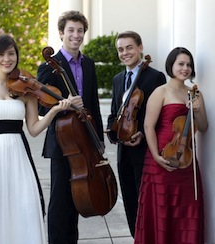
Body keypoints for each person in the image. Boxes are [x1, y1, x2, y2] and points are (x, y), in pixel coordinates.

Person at [0, 34, 71, 244]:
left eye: (11, 54)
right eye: (1, 54)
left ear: (16, 57)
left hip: (18, 155)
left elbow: (34, 129)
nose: (6, 59)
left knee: (22, 206)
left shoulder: (25, 90)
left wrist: (54, 110)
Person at [37, 10, 104, 244]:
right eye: (71, 30)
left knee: (77, 198)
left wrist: (99, 141)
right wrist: (63, 105)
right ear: (61, 33)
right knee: (60, 201)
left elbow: (93, 104)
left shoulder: (89, 63)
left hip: (85, 140)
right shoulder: (48, 67)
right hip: (62, 141)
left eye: (80, 30)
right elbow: (41, 109)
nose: (76, 35)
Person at [134, 47, 208, 243]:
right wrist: (156, 157)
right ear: (171, 65)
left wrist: (198, 110)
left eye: (188, 64)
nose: (185, 68)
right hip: (160, 156)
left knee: (187, 208)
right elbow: (148, 126)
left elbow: (204, 127)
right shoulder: (161, 91)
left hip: (186, 160)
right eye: (181, 64)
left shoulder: (195, 93)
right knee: (161, 208)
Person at [106, 31, 166, 237]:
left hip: (145, 153)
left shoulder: (155, 77)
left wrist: (141, 132)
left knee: (146, 203)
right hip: (124, 154)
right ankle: (136, 239)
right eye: (120, 49)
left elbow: (161, 117)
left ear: (140, 47)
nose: (125, 53)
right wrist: (112, 132)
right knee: (130, 203)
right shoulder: (117, 79)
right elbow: (114, 114)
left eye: (129, 47)